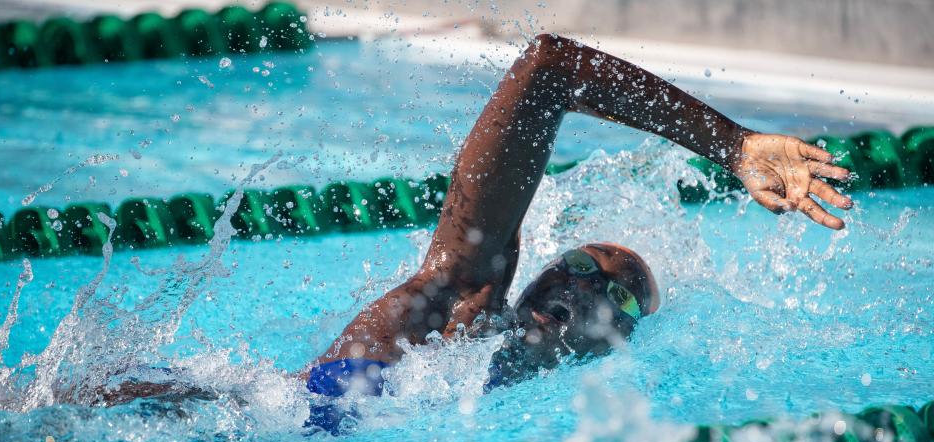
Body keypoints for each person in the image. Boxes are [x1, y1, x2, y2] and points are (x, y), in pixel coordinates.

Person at [99, 34, 854, 413]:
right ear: (543, 276)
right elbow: (548, 67)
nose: (589, 288)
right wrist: (731, 145)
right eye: (584, 263)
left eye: (621, 295)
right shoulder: (461, 302)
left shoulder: (498, 402)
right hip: (186, 425)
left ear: (615, 347)